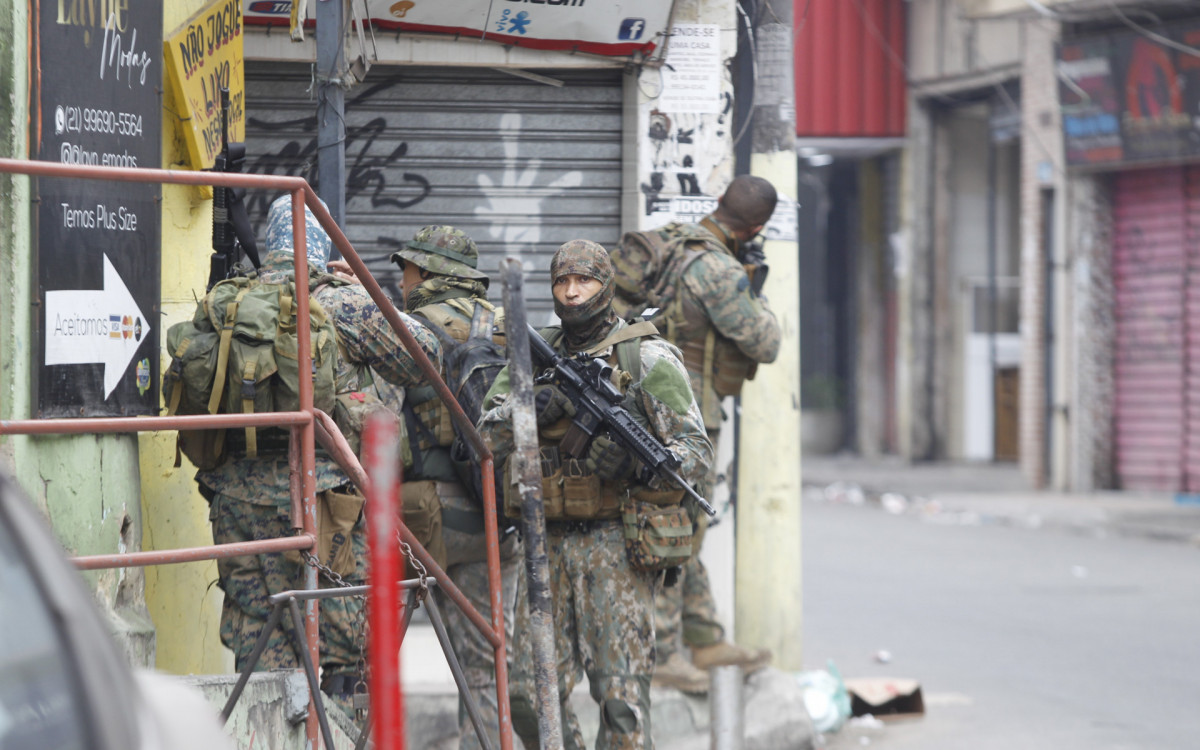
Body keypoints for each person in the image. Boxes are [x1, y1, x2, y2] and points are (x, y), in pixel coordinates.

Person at [194, 195, 442, 708]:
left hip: (235, 503)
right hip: (322, 505)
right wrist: (370, 293)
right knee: (340, 648)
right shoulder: (342, 301)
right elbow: (427, 359)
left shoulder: (230, 300)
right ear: (322, 243)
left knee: (257, 638)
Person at [478, 240, 713, 749]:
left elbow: (695, 453)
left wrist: (633, 463)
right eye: (563, 281)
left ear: (605, 285)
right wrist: (530, 407)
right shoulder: (533, 352)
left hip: (615, 547)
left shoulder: (646, 354)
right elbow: (482, 437)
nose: (572, 291)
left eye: (584, 280)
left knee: (621, 703)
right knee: (525, 694)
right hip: (547, 542)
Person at [610, 175, 782, 694]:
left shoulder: (671, 242)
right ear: (755, 225)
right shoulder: (718, 269)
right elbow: (764, 342)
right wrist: (759, 293)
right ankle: (663, 653)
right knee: (675, 529)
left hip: (640, 405)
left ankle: (705, 637)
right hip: (688, 417)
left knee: (686, 523)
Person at [389, 225, 522, 750]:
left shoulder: (403, 327)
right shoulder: (510, 326)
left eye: (407, 270)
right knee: (488, 668)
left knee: (366, 650)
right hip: (496, 514)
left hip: (422, 521)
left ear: (428, 273)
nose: (401, 281)